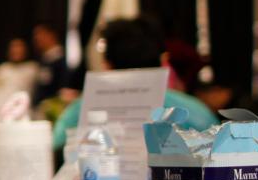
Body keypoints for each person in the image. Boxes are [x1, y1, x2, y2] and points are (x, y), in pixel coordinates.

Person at [51, 15, 220, 151]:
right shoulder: (194, 112)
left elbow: (57, 155)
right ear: (163, 60)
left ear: (107, 64)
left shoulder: (79, 112)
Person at [31, 23, 77, 107]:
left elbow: (64, 87)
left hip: (55, 108)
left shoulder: (64, 60)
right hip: (41, 108)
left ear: (51, 35)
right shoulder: (43, 60)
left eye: (40, 34)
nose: (37, 38)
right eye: (35, 35)